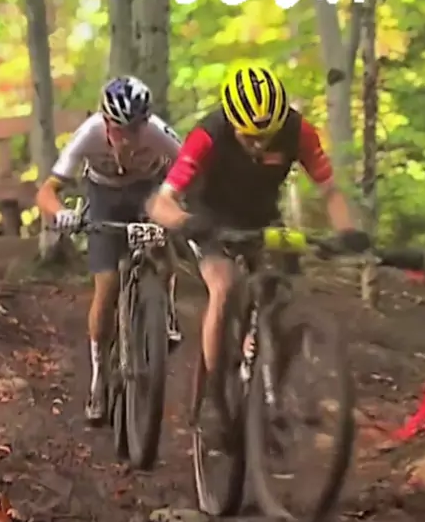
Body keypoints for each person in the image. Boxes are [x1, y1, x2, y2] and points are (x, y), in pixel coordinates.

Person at [146, 63, 370, 422]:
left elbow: (330, 190)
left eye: (267, 136)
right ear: (232, 122)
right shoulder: (209, 133)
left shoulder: (298, 131)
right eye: (249, 137)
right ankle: (216, 400)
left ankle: (272, 381)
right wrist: (187, 222)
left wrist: (346, 232)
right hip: (211, 217)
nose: (259, 144)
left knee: (287, 293)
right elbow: (162, 202)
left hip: (262, 217)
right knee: (223, 287)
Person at [36, 75, 182, 424]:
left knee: (162, 248)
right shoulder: (87, 134)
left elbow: (193, 168)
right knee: (107, 286)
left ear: (146, 122)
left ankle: (165, 310)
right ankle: (99, 375)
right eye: (118, 130)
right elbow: (46, 191)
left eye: (135, 130)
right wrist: (62, 213)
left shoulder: (159, 133)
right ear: (104, 122)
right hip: (103, 197)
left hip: (148, 191)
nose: (127, 138)